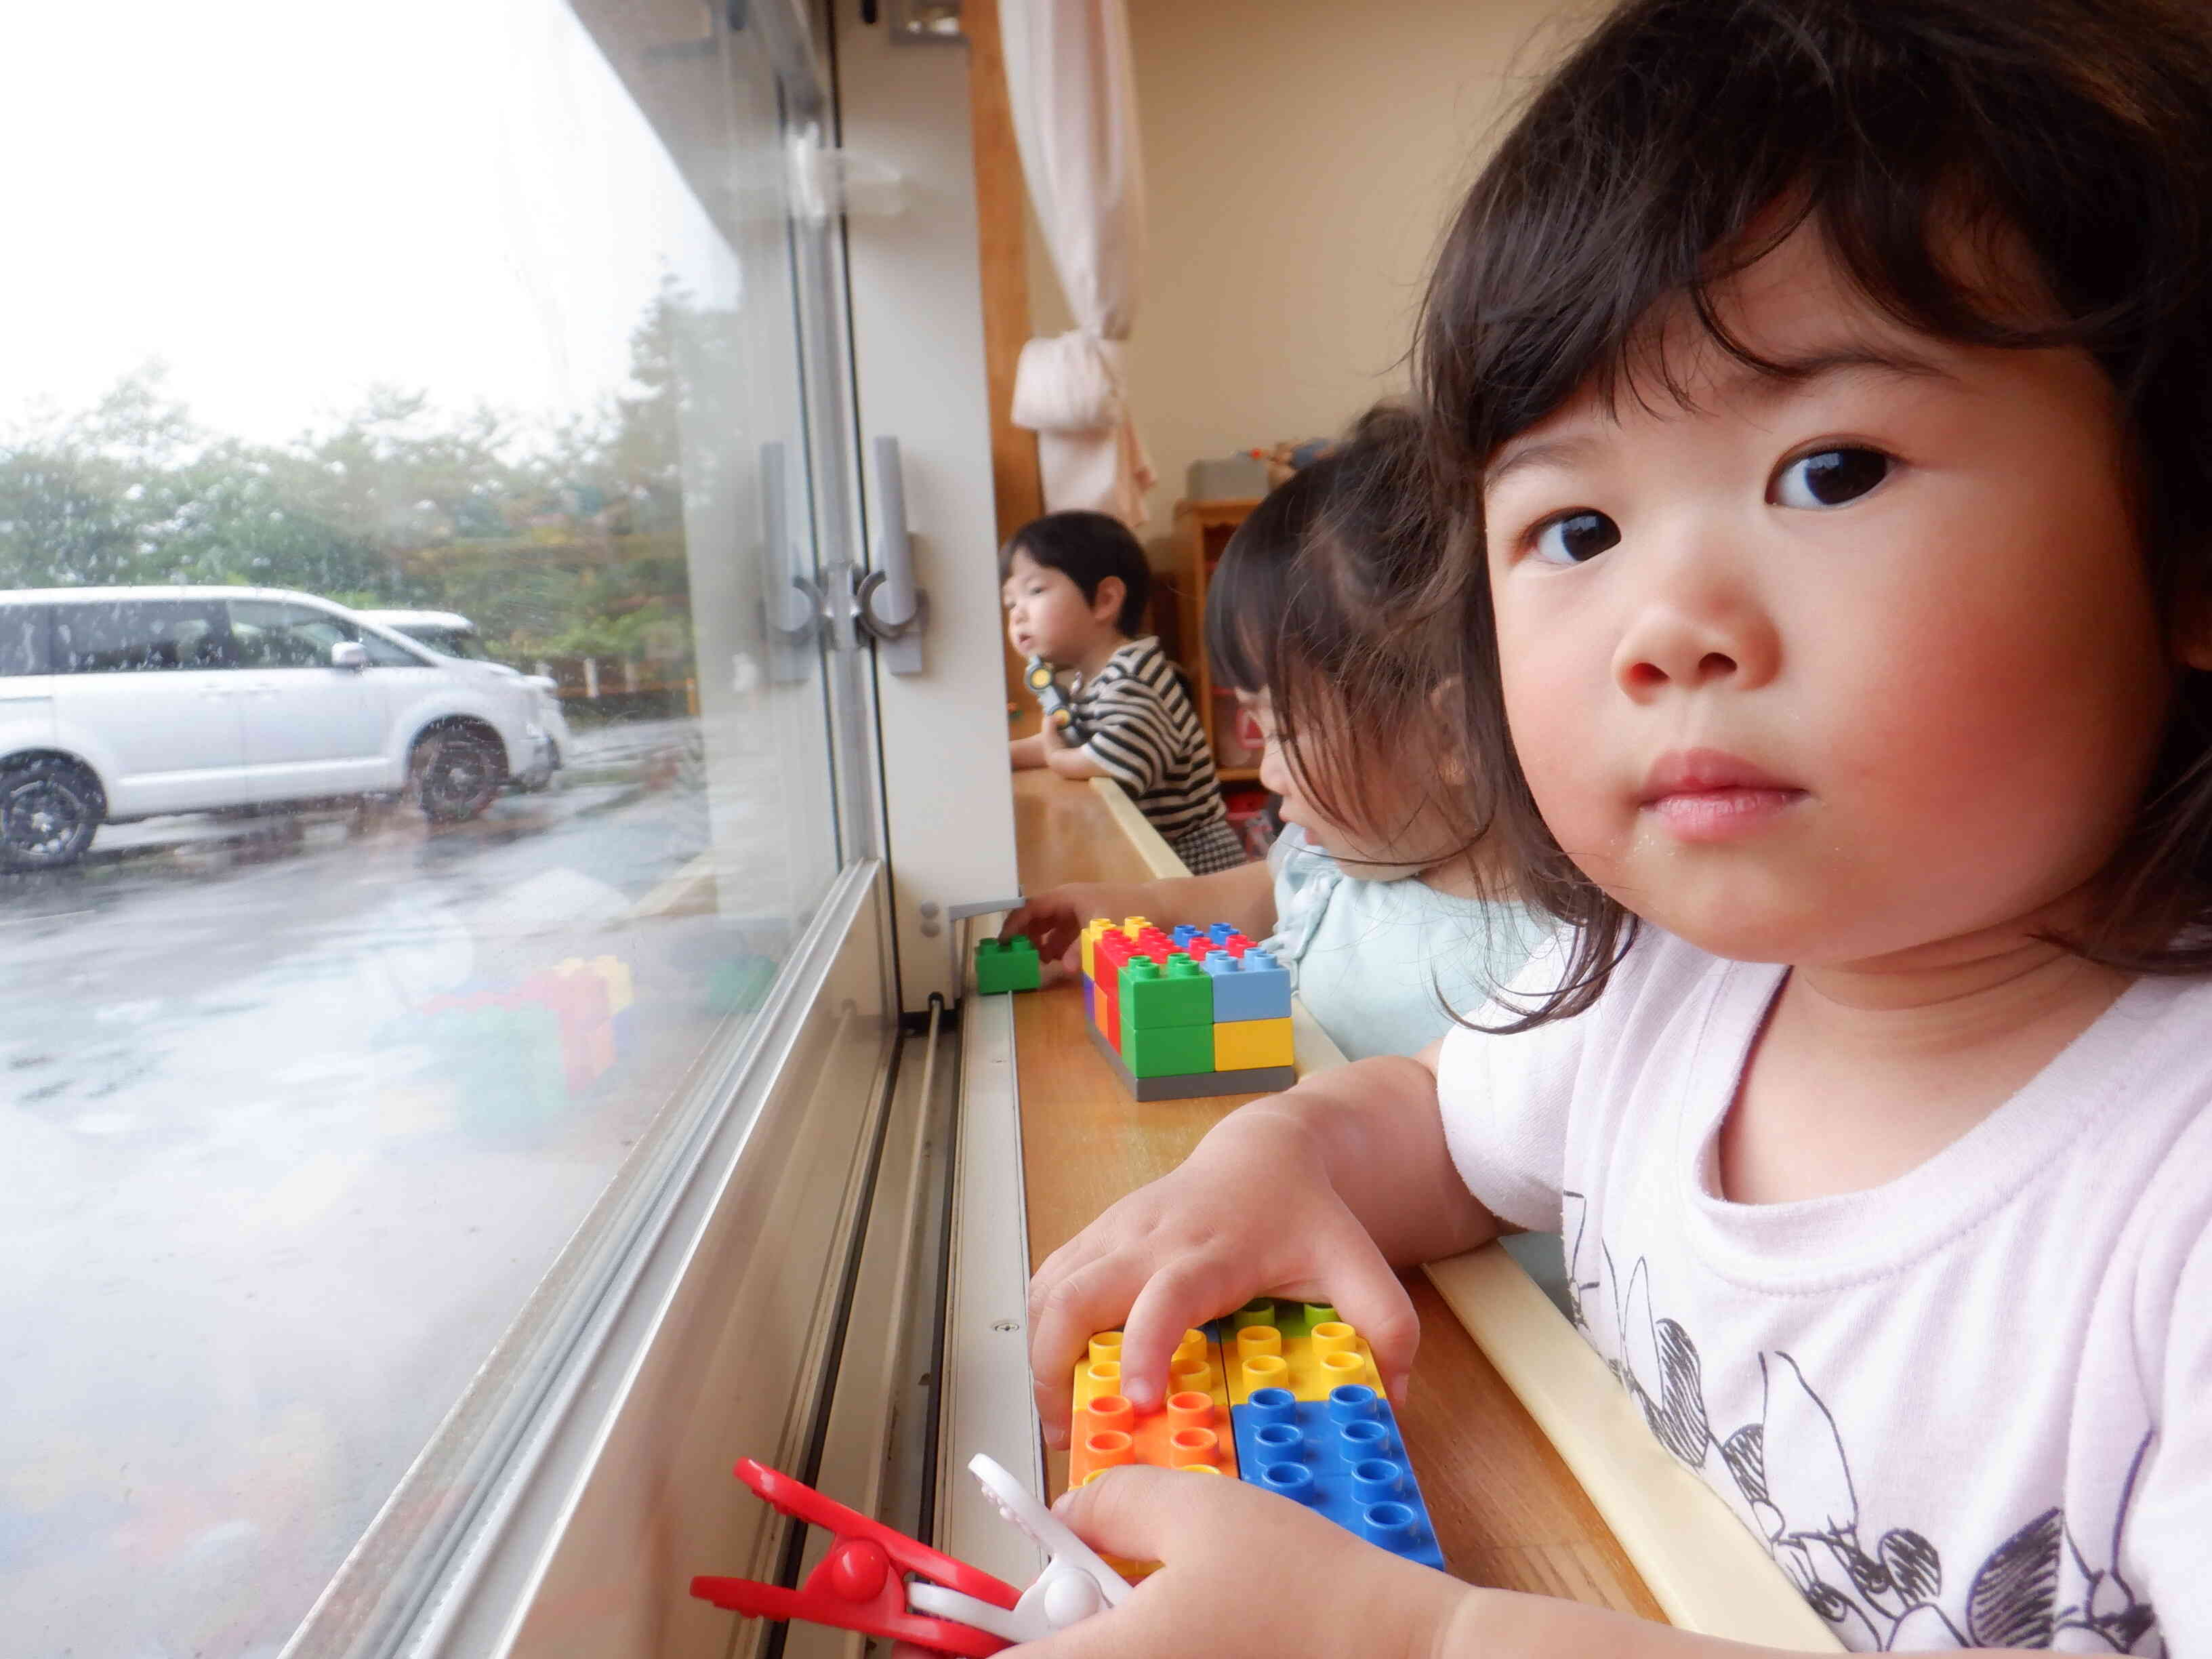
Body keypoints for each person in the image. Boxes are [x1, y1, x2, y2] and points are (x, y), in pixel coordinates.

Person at [1016, 1, 2212, 1655]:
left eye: (1831, 469)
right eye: (1575, 523)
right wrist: (1271, 1154)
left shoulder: (2170, 1199)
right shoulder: (1666, 990)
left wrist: (1423, 1639)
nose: (1667, 623)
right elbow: (1436, 1114)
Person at [1003, 408, 1546, 1064]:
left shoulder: (1542, 973)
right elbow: (1267, 891)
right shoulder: (1344, 852)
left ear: (1455, 734)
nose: (1266, 773)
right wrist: (1135, 906)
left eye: (1284, 728)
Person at [1004, 510, 1246, 876]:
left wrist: (1055, 756)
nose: (1017, 614)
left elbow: (1107, 756)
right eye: (1010, 602)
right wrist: (999, 759)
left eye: (1035, 591)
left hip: (1192, 863)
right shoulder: (1093, 679)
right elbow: (1078, 740)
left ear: (1104, 600)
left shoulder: (1132, 677)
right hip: (1160, 849)